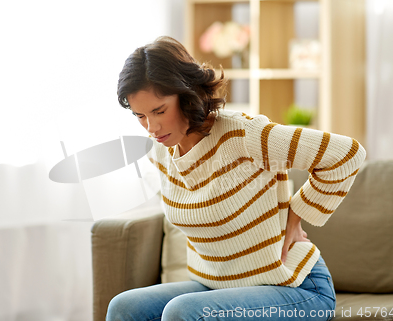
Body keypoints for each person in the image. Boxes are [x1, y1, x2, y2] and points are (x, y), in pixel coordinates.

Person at [107, 36, 366, 321]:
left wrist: (297, 214)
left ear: (187, 93)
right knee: (124, 307)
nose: (151, 127)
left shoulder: (243, 135)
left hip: (295, 287)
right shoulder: (160, 149)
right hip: (218, 287)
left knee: (182, 313)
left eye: (160, 111)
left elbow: (346, 154)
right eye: (140, 115)